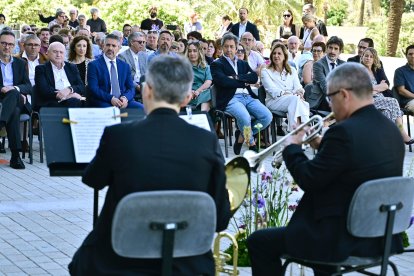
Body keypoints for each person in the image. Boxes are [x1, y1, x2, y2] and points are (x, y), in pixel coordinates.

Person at [69, 55, 230, 275]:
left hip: (118, 260)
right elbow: (220, 219)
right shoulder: (207, 141)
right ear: (186, 99)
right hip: (185, 262)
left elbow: (93, 179)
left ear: (147, 91)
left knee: (81, 261)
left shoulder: (118, 135)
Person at [247, 62, 405, 275]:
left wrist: (292, 149)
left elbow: (309, 179)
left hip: (339, 239)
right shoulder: (391, 129)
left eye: (331, 98)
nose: (330, 105)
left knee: (259, 242)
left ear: (344, 95)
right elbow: (357, 159)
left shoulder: (342, 133)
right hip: (381, 237)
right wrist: (321, 143)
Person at [210, 33, 272, 154]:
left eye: (231, 47)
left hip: (247, 96)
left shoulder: (243, 63)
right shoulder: (217, 64)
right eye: (226, 46)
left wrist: (235, 77)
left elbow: (254, 77)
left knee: (267, 116)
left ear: (236, 47)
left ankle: (241, 136)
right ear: (222, 47)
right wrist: (243, 82)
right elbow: (223, 81)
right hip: (230, 99)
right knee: (245, 117)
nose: (229, 50)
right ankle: (251, 143)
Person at [360, 47, 413, 144]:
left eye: (371, 57)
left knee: (386, 113)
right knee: (393, 101)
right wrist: (378, 87)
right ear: (362, 57)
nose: (368, 58)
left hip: (381, 100)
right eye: (366, 56)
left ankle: (384, 144)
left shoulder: (376, 71)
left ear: (374, 59)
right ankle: (402, 132)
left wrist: (374, 88)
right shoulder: (357, 71)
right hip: (366, 101)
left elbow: (385, 85)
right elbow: (360, 90)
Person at [0, 30, 32, 169]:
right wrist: (2, 88)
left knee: (13, 94)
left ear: (15, 46)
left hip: (17, 97)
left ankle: (1, 123)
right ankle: (15, 156)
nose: (7, 47)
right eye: (3, 43)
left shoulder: (20, 63)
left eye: (10, 44)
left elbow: (27, 85)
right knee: (14, 112)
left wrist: (15, 89)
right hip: (2, 98)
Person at [261, 43, 309, 131]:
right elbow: (273, 91)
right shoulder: (266, 71)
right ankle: (302, 131)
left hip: (292, 100)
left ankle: (297, 132)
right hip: (274, 101)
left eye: (279, 53)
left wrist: (300, 92)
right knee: (298, 101)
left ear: (285, 56)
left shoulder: (292, 70)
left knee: (297, 101)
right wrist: (293, 93)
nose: (276, 56)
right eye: (274, 53)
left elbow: (298, 86)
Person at [87, 34, 143, 109]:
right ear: (103, 46)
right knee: (112, 112)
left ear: (119, 48)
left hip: (122, 101)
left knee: (141, 109)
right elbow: (93, 88)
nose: (110, 48)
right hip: (103, 101)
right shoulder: (94, 65)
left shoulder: (125, 66)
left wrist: (125, 98)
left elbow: (131, 88)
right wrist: (111, 98)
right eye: (108, 45)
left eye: (113, 46)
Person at [35, 42, 85, 108]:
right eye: (55, 52)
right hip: (53, 102)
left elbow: (81, 86)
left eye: (61, 52)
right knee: (74, 101)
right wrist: (67, 96)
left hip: (75, 99)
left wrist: (69, 89)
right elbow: (44, 90)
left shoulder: (72, 67)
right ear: (48, 53)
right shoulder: (41, 68)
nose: (58, 55)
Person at [308, 36, 345, 111]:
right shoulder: (318, 64)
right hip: (321, 99)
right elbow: (325, 86)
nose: (332, 51)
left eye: (336, 49)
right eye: (330, 48)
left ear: (340, 51)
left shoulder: (343, 65)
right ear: (326, 49)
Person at [186, 41, 212, 111]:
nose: (192, 53)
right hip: (187, 93)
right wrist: (189, 91)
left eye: (195, 51)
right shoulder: (183, 67)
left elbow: (208, 82)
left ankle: (203, 114)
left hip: (201, 93)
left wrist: (198, 91)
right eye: (190, 51)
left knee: (208, 92)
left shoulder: (206, 67)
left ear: (199, 52)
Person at [395, 45, 414, 112]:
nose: (413, 56)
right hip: (408, 101)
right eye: (410, 54)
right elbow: (401, 91)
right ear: (406, 56)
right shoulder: (400, 71)